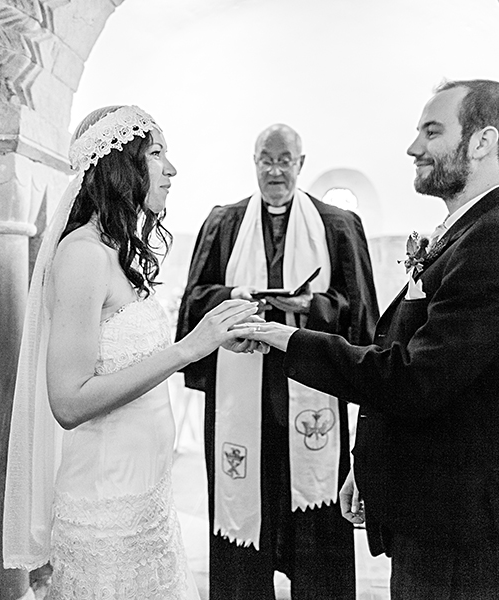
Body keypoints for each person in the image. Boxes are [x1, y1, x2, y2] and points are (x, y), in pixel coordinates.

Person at [235, 80, 499, 600]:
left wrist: (287, 339)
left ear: (482, 141)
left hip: (456, 533)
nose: (413, 147)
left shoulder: (496, 242)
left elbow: (413, 379)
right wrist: (370, 464)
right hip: (430, 514)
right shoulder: (463, 233)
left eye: (431, 131)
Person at [2, 105, 260, 600]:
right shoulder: (80, 255)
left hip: (146, 504)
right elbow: (69, 402)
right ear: (119, 166)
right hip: (106, 517)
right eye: (157, 153)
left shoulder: (117, 251)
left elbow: (128, 357)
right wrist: (188, 349)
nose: (172, 169)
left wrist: (217, 339)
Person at [175, 123, 379, 599]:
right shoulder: (223, 223)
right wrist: (235, 296)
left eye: (285, 160)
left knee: (317, 525)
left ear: (301, 165)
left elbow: (363, 314)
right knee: (242, 517)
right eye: (266, 160)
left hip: (310, 399)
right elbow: (193, 305)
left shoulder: (338, 224)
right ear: (254, 163)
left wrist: (313, 307)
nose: (275, 170)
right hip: (241, 402)